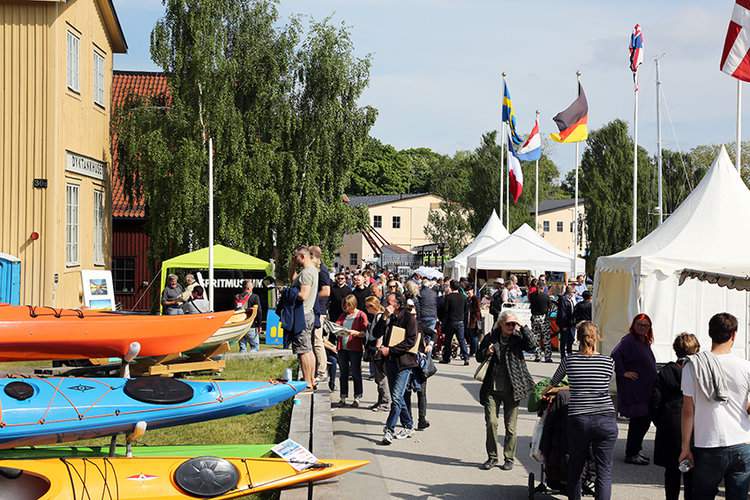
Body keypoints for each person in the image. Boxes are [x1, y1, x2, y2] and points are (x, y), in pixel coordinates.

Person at [680, 313, 750, 500]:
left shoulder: (693, 366)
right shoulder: (745, 367)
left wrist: (685, 447)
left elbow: (688, 410)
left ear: (710, 333)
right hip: (741, 441)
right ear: (734, 335)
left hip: (708, 443)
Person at [544, 321, 618, 500]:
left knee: (576, 467)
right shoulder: (608, 362)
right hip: (606, 418)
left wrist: (548, 392)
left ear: (577, 338)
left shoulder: (569, 360)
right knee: (604, 471)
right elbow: (599, 386)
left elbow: (554, 382)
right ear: (597, 337)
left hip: (579, 419)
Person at [477, 310, 535, 471]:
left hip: (512, 388)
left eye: (513, 324)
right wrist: (486, 352)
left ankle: (509, 458)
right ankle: (492, 457)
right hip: (491, 388)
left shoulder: (518, 338)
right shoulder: (491, 337)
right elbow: (478, 357)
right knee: (491, 423)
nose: (511, 326)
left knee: (510, 427)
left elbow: (533, 345)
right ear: (501, 323)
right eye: (508, 323)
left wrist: (522, 325)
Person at [651, 333, 699, 500]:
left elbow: (655, 401)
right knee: (691, 473)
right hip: (693, 425)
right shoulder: (698, 372)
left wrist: (660, 421)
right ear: (696, 349)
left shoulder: (665, 372)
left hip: (669, 423)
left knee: (671, 471)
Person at [611, 313, 657, 465]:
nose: (642, 328)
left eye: (645, 325)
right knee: (639, 421)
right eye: (639, 325)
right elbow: (615, 355)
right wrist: (623, 372)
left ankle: (636, 449)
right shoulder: (629, 340)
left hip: (645, 389)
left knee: (644, 421)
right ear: (634, 325)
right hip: (636, 390)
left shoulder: (643, 341)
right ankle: (631, 453)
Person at [376, 292, 419, 445]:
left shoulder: (408, 318)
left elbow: (411, 340)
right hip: (390, 362)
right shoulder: (386, 317)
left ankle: (389, 430)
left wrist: (391, 350)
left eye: (389, 302)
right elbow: (376, 333)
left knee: (395, 397)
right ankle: (408, 425)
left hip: (404, 363)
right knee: (398, 397)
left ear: (398, 304)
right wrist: (384, 318)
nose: (386, 305)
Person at [290, 246, 318, 390]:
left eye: (296, 258)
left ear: (302, 256)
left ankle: (307, 381)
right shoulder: (311, 270)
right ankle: (311, 378)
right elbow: (294, 280)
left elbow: (303, 295)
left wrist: (290, 293)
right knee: (308, 348)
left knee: (303, 350)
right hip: (308, 313)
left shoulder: (307, 273)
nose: (295, 260)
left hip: (303, 314)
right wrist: (292, 267)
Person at [335, 294, 368, 407]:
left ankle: (357, 397)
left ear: (353, 305)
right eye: (344, 305)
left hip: (355, 347)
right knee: (343, 373)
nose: (346, 308)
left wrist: (356, 333)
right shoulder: (343, 315)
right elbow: (337, 326)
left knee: (355, 373)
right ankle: (343, 397)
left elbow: (365, 332)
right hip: (342, 347)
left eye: (348, 305)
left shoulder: (360, 315)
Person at [310, 246, 332, 385]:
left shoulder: (322, 271)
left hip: (320, 310)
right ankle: (315, 369)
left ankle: (322, 371)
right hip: (315, 309)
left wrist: (310, 297)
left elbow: (326, 291)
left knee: (318, 341)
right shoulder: (315, 270)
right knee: (313, 341)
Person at [365, 296, 390, 412]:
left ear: (373, 306)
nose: (366, 309)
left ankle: (385, 401)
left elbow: (380, 333)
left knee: (381, 377)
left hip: (377, 348)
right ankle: (380, 400)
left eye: (367, 306)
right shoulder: (377, 316)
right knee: (378, 376)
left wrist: (377, 348)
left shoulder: (380, 316)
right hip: (374, 346)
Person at [441, 280, 469, 365]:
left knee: (448, 341)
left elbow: (445, 311)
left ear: (451, 287)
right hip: (460, 321)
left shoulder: (448, 297)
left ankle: (446, 358)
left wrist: (443, 322)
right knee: (461, 340)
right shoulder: (463, 297)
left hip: (450, 321)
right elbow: (466, 310)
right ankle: (466, 357)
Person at [529, 282, 552, 363]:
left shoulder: (532, 295)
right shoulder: (546, 296)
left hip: (534, 317)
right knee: (546, 338)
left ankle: (537, 356)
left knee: (536, 338)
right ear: (543, 287)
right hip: (543, 318)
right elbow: (550, 307)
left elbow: (530, 304)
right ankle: (547, 357)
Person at [236, 280, 261, 353]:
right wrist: (259, 325)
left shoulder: (238, 297)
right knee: (255, 347)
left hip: (240, 326)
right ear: (250, 288)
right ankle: (252, 362)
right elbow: (259, 311)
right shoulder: (255, 297)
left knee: (242, 348)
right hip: (251, 325)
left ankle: (242, 363)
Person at [556, 285, 576, 360]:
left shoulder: (569, 299)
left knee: (570, 339)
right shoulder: (564, 299)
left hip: (570, 323)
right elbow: (562, 313)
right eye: (573, 292)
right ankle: (563, 356)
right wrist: (563, 325)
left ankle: (569, 354)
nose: (574, 293)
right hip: (565, 323)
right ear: (570, 292)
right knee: (564, 340)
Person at [466, 287, 482, 357]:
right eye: (467, 292)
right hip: (469, 320)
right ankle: (473, 350)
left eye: (469, 292)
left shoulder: (475, 298)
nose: (468, 293)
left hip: (474, 320)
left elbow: (478, 309)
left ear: (472, 291)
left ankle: (474, 351)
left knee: (474, 336)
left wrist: (475, 318)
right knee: (471, 336)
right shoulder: (468, 299)